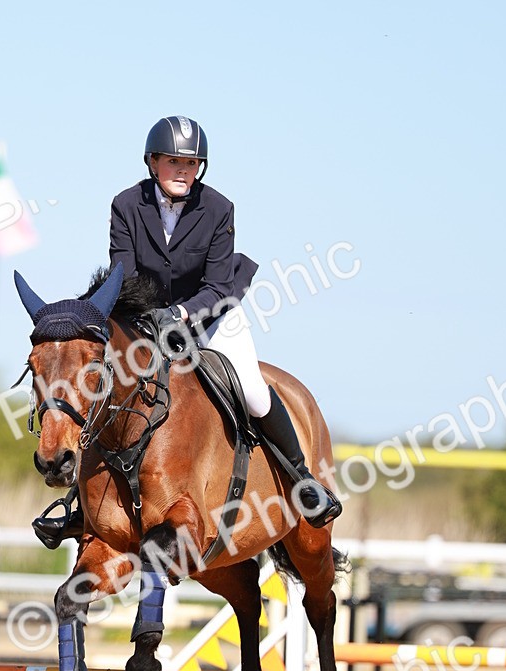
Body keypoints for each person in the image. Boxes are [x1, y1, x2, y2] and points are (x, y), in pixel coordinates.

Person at [33, 115, 341, 547]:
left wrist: (179, 314)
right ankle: (82, 504)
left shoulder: (218, 208)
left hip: (212, 314)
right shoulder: (125, 205)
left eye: (192, 163)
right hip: (147, 320)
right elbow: (124, 275)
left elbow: (217, 285)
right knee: (106, 390)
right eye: (174, 161)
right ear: (153, 162)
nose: (183, 171)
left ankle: (302, 478)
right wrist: (144, 321)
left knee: (252, 389)